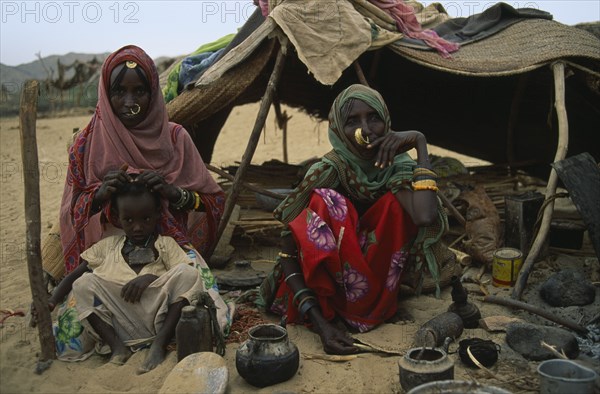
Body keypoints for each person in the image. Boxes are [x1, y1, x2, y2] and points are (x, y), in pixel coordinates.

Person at [264, 84, 448, 355]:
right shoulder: (327, 171)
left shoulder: (398, 167)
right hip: (322, 299)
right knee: (329, 201)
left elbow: (424, 215)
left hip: (374, 295)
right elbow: (287, 252)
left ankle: (369, 309)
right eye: (352, 121)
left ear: (387, 122)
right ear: (338, 128)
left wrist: (419, 141)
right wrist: (321, 325)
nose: (366, 129)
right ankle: (331, 313)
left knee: (395, 206)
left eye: (374, 117)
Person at [60, 45, 224, 275]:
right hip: (106, 256)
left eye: (139, 91)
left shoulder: (176, 139)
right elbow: (70, 214)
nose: (130, 102)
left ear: (153, 92)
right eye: (119, 92)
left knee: (193, 286)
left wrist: (174, 194)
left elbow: (213, 204)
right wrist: (99, 196)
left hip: (170, 253)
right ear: (106, 94)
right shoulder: (85, 144)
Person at [43, 181, 220, 373]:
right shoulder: (107, 246)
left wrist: (149, 278)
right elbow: (74, 275)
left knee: (189, 273)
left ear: (157, 215)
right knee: (83, 283)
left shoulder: (165, 244)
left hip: (159, 319)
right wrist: (51, 301)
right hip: (121, 321)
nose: (137, 227)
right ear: (118, 219)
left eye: (145, 219)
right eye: (129, 220)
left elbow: (184, 276)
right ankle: (117, 347)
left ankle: (158, 345)